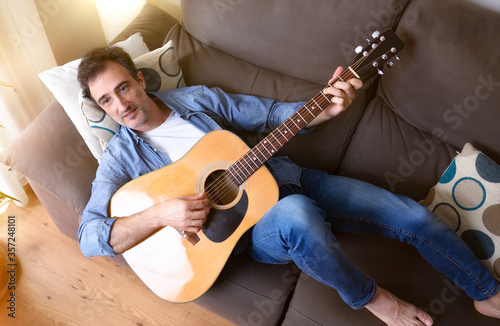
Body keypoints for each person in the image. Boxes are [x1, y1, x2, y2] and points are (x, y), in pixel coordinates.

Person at [77, 46, 500, 326]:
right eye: (106, 102)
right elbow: (90, 236)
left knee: (412, 214)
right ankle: (375, 300)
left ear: (140, 79)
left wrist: (328, 105)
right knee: (297, 217)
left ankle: (486, 292)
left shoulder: (198, 101)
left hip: (293, 179)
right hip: (259, 229)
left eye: (123, 88)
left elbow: (275, 114)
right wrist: (160, 213)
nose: (122, 104)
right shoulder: (120, 158)